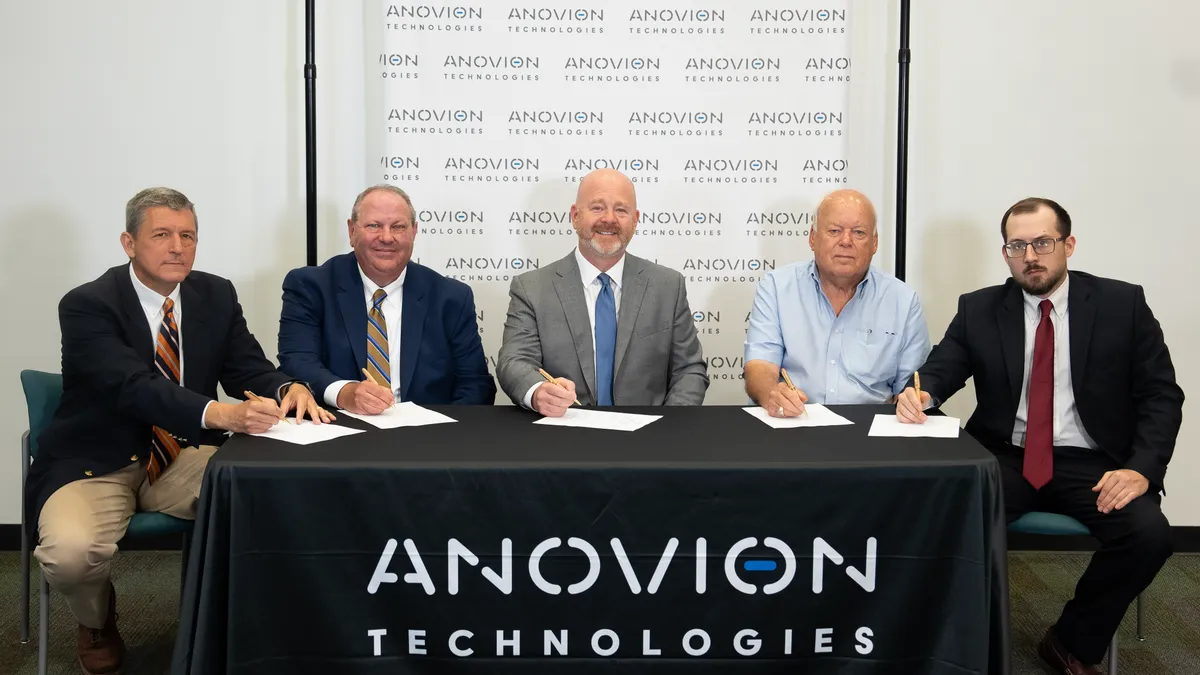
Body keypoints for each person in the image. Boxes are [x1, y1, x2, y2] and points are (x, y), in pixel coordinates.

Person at [25, 187, 330, 675]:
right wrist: (220, 414)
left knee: (278, 496)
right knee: (71, 555)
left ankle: (254, 625)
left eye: (187, 235)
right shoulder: (87, 304)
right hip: (96, 462)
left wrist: (287, 386)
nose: (177, 247)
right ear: (129, 243)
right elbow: (133, 387)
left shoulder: (214, 292)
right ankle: (97, 619)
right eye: (162, 235)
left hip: (184, 456)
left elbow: (247, 367)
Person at [896, 197, 1182, 674]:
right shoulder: (979, 308)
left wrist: (1138, 469)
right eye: (1017, 245)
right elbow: (941, 370)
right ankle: (950, 638)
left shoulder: (1121, 304)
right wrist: (918, 395)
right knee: (940, 515)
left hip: (1094, 462)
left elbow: (1161, 395)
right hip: (1005, 458)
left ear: (1068, 244)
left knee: (1149, 535)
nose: (1030, 256)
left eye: (1042, 243)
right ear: (1005, 253)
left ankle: (1071, 641)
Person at [496, 169, 708, 414]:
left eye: (621, 210)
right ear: (575, 216)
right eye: (597, 208)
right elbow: (515, 361)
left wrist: (668, 424)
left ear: (635, 219)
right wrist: (537, 392)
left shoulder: (668, 286)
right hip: (562, 434)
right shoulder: (531, 288)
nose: (609, 219)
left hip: (649, 439)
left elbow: (689, 370)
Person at [278, 184, 495, 412]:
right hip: (339, 429)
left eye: (398, 227)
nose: (386, 237)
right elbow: (297, 363)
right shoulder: (310, 286)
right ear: (352, 231)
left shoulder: (451, 297)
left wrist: (445, 436)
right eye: (374, 226)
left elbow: (475, 384)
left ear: (414, 231)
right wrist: (344, 393)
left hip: (427, 436)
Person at [744, 189, 930, 416]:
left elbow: (911, 386)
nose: (846, 241)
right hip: (794, 422)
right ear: (812, 237)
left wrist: (911, 400)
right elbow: (759, 365)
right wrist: (772, 393)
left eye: (859, 232)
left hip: (871, 432)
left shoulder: (903, 301)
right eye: (834, 231)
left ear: (874, 243)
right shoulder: (776, 287)